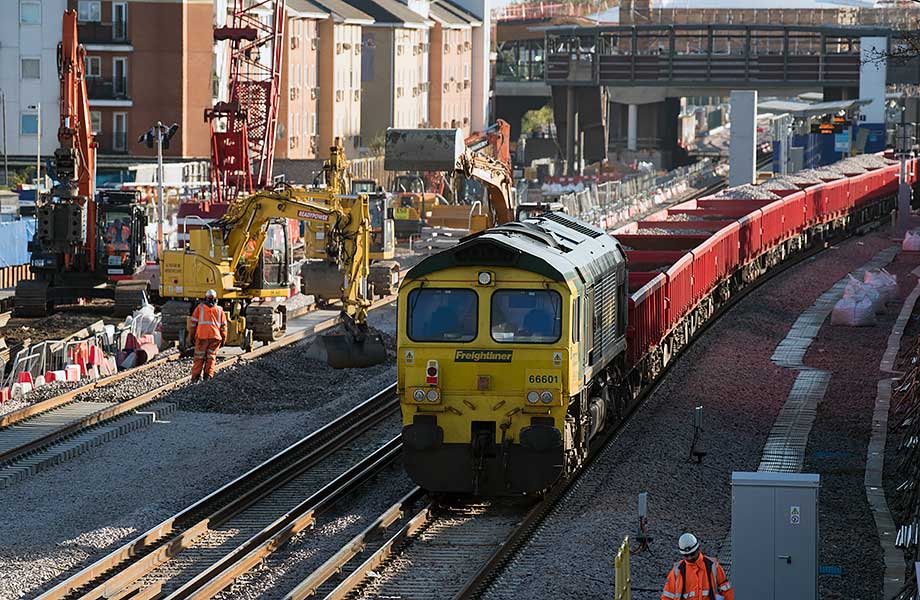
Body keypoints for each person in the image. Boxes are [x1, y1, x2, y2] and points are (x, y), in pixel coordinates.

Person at [661, 533, 733, 600]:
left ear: (698, 549)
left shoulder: (712, 566)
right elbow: (667, 597)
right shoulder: (677, 571)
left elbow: (727, 591)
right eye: (686, 555)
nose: (690, 558)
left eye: (692, 554)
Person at [188, 289, 227, 382]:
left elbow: (193, 324)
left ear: (205, 298)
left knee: (199, 358)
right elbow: (224, 327)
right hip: (215, 338)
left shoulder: (200, 308)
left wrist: (191, 336)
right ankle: (208, 378)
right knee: (211, 358)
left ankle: (195, 379)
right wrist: (224, 339)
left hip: (202, 337)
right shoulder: (220, 310)